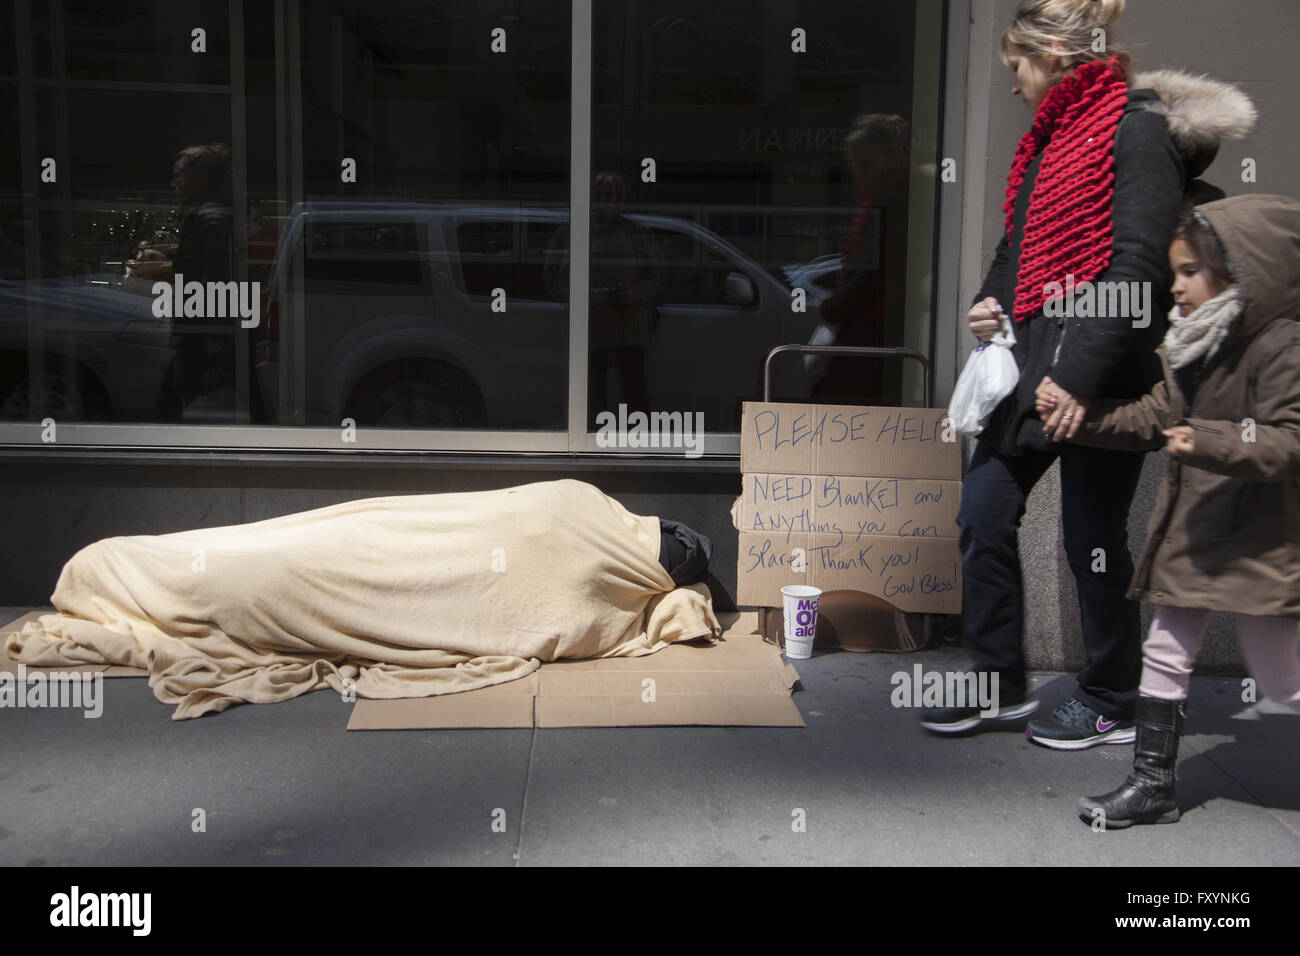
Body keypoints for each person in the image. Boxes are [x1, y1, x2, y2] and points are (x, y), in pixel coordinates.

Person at [920, 0, 1255, 745]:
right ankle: (997, 681)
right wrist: (989, 301)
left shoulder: (1138, 131)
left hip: (1101, 375)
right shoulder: (1045, 141)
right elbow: (1019, 250)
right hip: (1028, 368)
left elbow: (1137, 265)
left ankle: (1111, 695)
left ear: (1055, 56)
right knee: (981, 514)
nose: (1014, 87)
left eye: (1018, 69)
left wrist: (1075, 377)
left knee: (1091, 541)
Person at [1036, 196, 1300, 826]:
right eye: (1172, 272)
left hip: (1260, 537)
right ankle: (1152, 783)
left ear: (1239, 273)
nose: (1173, 286)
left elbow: (1290, 440)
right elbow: (1155, 416)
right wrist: (1081, 421)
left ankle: (1152, 782)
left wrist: (1208, 439)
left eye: (1188, 272)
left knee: (1283, 679)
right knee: (1166, 648)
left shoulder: (1282, 345)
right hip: (1197, 526)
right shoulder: (1191, 343)